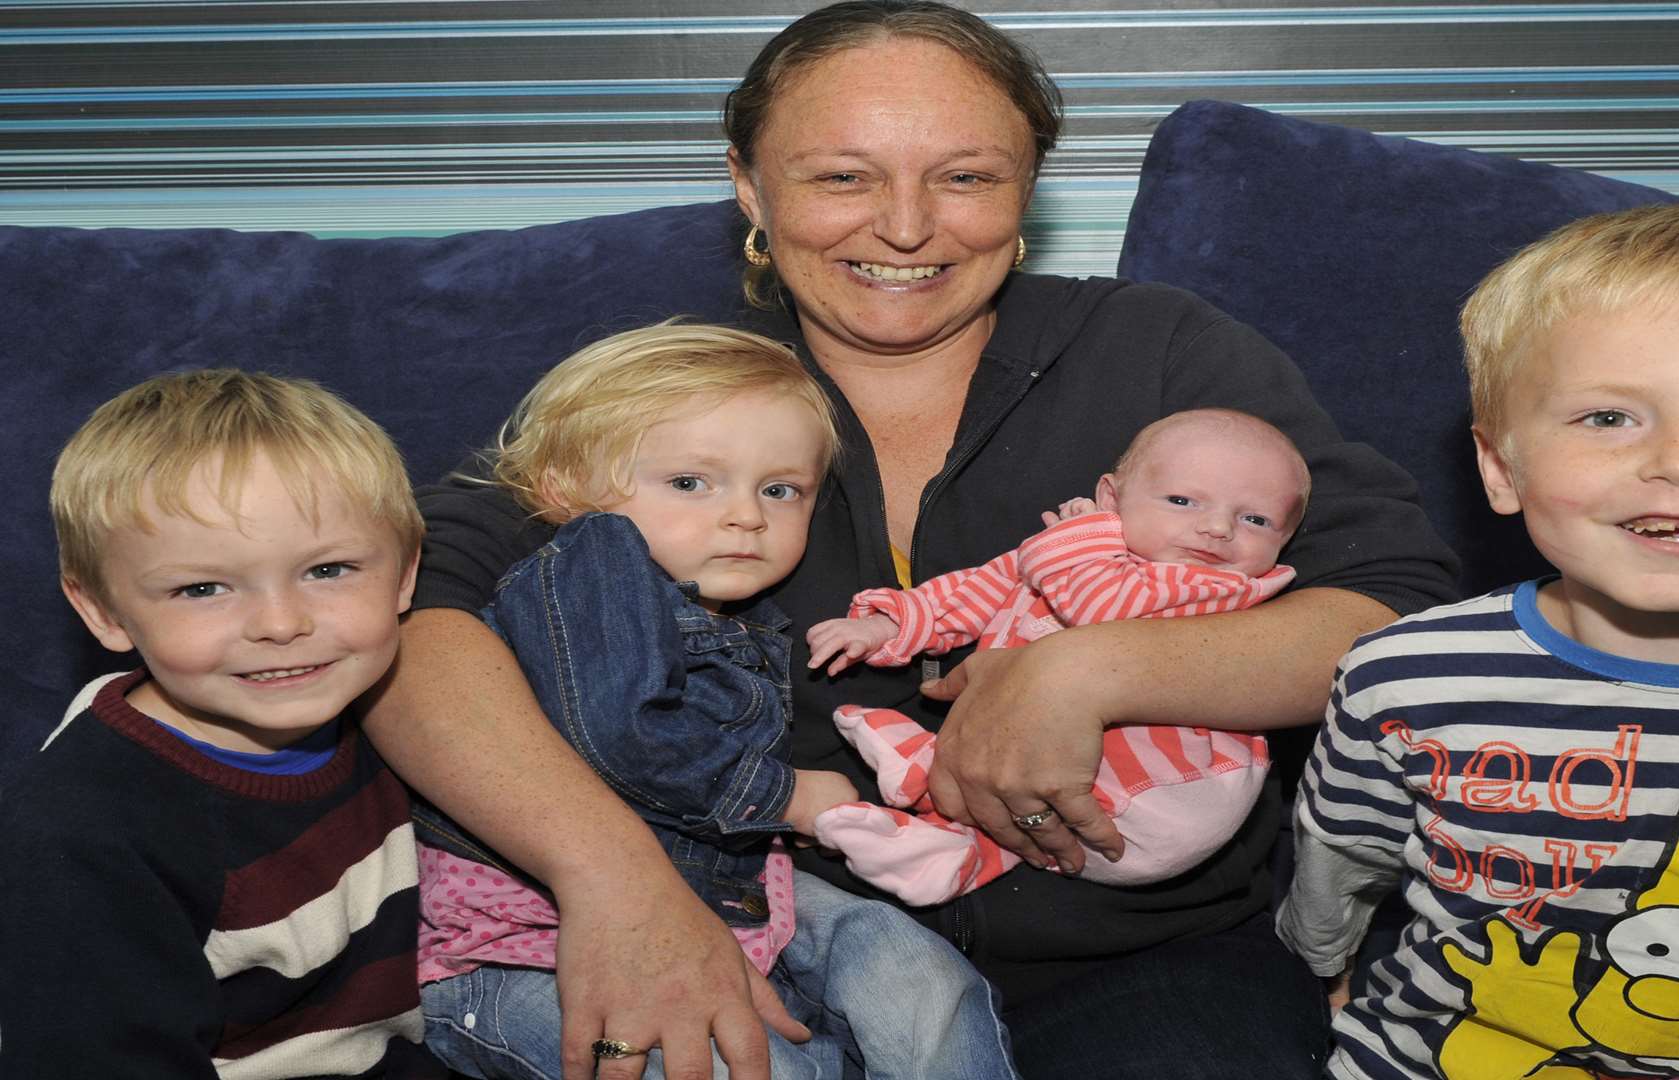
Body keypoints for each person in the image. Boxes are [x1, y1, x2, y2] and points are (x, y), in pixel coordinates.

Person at [360, 3, 1458, 1078]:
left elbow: (1391, 609)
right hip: (771, 937)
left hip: (1145, 951)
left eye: (968, 175)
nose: (904, 226)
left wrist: (1090, 669)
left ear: (1028, 186)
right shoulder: (674, 387)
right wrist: (612, 877)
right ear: (747, 181)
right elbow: (410, 618)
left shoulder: (1161, 352)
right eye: (842, 175)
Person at [1278, 203, 1679, 1079]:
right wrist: (1321, 975)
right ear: (1501, 468)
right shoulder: (1405, 676)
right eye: (1610, 417)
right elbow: (1337, 870)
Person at [412, 323, 1017, 1080]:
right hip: (511, 949)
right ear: (565, 493)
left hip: (732, 892)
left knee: (917, 980)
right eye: (691, 483)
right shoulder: (588, 571)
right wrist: (786, 795)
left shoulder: (724, 612)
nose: (747, 516)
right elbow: (620, 733)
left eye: (780, 489)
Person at [0, 370, 441, 1078]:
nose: (281, 624)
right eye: (202, 588)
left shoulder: (400, 713)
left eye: (329, 570)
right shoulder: (83, 834)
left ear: (405, 576)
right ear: (104, 612)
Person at [805, 408, 1310, 905]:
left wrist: (1074, 543)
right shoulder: (1068, 555)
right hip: (1056, 811)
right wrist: (887, 626)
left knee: (1024, 760)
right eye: (1182, 500)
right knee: (997, 782)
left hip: (1171, 794)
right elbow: (976, 590)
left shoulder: (1219, 586)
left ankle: (922, 771)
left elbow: (1100, 610)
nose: (1218, 528)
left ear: (1285, 541)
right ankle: (947, 853)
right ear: (1112, 497)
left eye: (1256, 519)